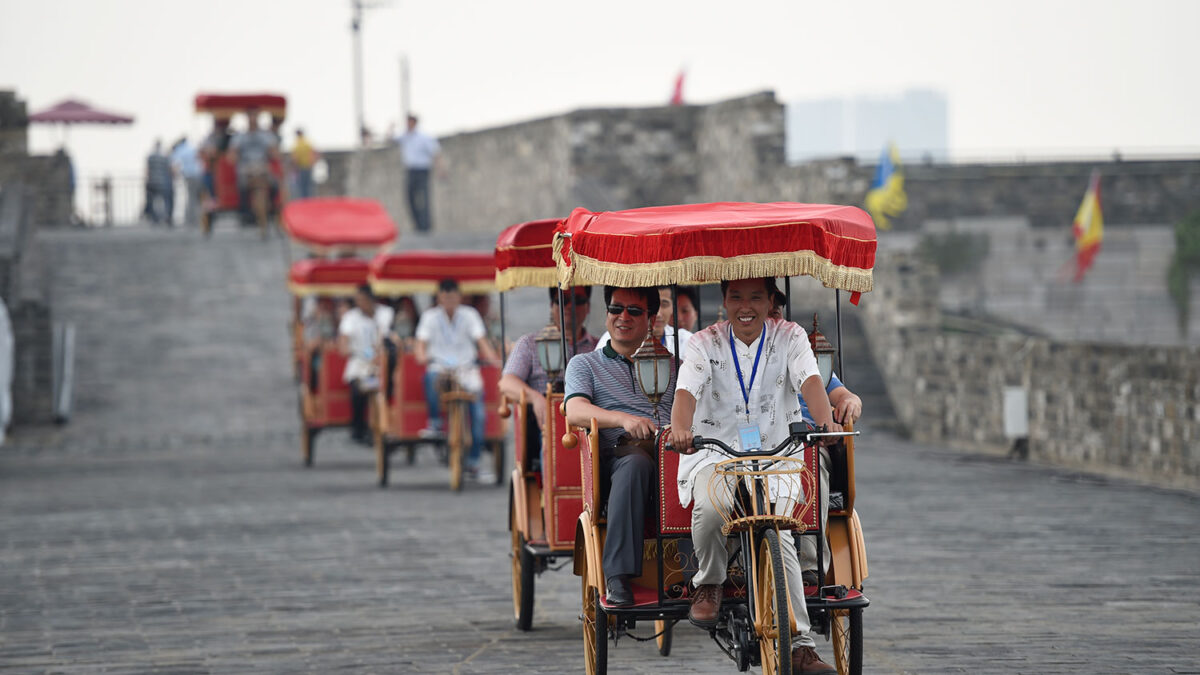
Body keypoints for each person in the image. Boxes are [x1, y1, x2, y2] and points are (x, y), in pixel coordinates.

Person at [669, 277, 841, 675]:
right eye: (737, 297)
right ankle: (709, 581)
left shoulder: (790, 336)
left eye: (756, 298)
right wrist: (681, 429)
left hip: (775, 454)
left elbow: (810, 380)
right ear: (725, 301)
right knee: (711, 509)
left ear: (769, 302)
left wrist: (825, 419)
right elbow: (686, 392)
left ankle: (800, 646)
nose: (746, 307)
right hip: (716, 453)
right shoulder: (702, 343)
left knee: (780, 534)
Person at [564, 285, 676, 607]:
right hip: (619, 457)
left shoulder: (675, 365)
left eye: (634, 311)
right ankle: (618, 575)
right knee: (637, 463)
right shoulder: (585, 365)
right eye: (616, 309)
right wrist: (623, 419)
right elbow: (575, 410)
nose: (622, 318)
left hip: (672, 453)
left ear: (652, 319)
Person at [769, 292, 863, 582]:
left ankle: (809, 562)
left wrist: (850, 403)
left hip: (807, 442)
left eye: (774, 314)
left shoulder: (801, 356)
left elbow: (843, 394)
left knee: (809, 461)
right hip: (757, 445)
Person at [414, 279, 500, 480]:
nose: (450, 302)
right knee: (430, 377)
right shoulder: (430, 317)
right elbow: (421, 343)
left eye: (453, 298)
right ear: (439, 298)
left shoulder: (470, 315)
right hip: (440, 365)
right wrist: (420, 355)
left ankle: (474, 462)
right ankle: (435, 422)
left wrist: (493, 360)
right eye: (445, 298)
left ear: (459, 297)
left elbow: (481, 341)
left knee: (478, 414)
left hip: (466, 368)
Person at [499, 286, 597, 449]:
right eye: (562, 301)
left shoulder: (598, 347)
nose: (569, 307)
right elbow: (507, 383)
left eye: (578, 301)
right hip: (545, 426)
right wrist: (537, 399)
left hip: (588, 422)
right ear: (552, 305)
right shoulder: (529, 343)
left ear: (588, 307)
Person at [339, 284, 395, 446]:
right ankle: (358, 426)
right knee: (357, 390)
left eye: (362, 300)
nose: (360, 304)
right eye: (357, 301)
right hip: (360, 362)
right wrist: (347, 348)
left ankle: (390, 419)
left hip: (382, 362)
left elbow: (393, 337)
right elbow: (343, 341)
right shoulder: (350, 317)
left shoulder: (386, 314)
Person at [595, 286, 693, 356]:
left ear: (673, 307)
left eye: (664, 304)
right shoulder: (612, 339)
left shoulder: (686, 341)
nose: (658, 313)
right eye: (616, 308)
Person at [229, 109, 280, 221]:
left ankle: (271, 207)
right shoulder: (239, 136)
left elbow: (274, 152)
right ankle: (245, 211)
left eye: (254, 116)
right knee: (242, 184)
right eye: (250, 116)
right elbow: (232, 153)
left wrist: (272, 153)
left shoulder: (266, 135)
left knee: (274, 183)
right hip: (245, 167)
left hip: (262, 166)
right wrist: (234, 156)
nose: (252, 119)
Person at [398, 114, 440, 233]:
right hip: (410, 170)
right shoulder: (405, 137)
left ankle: (425, 226)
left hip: (422, 170)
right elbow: (390, 140)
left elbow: (435, 152)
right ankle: (417, 225)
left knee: (424, 197)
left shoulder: (423, 138)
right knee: (410, 197)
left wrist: (440, 169)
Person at [170, 137, 204, 227]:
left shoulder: (180, 149)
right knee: (196, 198)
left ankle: (190, 220)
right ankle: (196, 219)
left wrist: (175, 175)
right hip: (198, 174)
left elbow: (175, 163)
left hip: (189, 175)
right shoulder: (192, 148)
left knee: (191, 198)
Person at [143, 139, 173, 225]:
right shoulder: (165, 157)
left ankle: (155, 219)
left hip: (152, 182)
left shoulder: (150, 156)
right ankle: (166, 216)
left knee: (153, 201)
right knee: (165, 201)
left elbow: (147, 170)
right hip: (163, 182)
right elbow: (169, 169)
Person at [290, 128, 319, 199]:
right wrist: (313, 162)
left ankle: (304, 201)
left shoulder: (296, 144)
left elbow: (295, 158)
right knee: (309, 185)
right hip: (309, 166)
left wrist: (295, 167)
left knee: (302, 185)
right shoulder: (308, 142)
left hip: (301, 167)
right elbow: (315, 153)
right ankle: (309, 200)